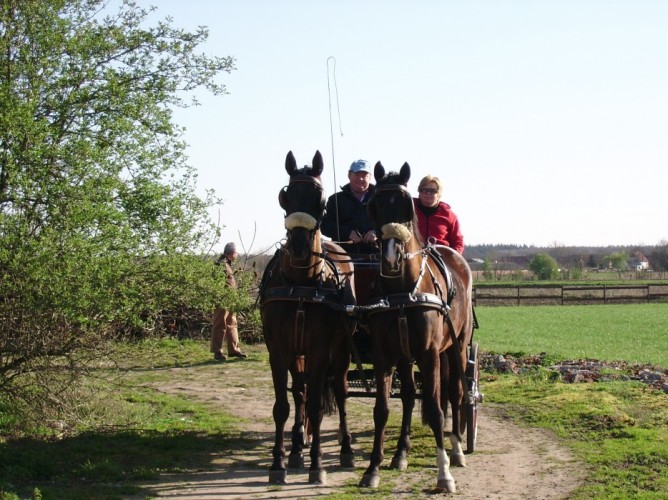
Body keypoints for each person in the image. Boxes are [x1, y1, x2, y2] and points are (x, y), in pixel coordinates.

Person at [321, 159, 378, 254]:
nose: (360, 179)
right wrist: (348, 233)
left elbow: (392, 224)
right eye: (357, 174)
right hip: (342, 258)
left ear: (370, 177)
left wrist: (376, 232)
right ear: (349, 175)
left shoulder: (380, 199)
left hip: (376, 258)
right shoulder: (335, 200)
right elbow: (325, 226)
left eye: (364, 175)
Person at [210, 242, 247, 361]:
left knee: (232, 323)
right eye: (236, 253)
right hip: (222, 299)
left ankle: (234, 350)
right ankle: (217, 352)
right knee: (220, 324)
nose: (237, 255)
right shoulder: (221, 264)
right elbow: (218, 283)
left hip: (230, 300)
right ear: (233, 253)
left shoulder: (227, 264)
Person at [413, 175, 464, 254]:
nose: (428, 193)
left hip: (441, 256)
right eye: (424, 190)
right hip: (414, 256)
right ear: (419, 192)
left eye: (432, 191)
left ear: (439, 194)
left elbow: (458, 242)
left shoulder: (449, 215)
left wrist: (453, 256)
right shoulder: (409, 211)